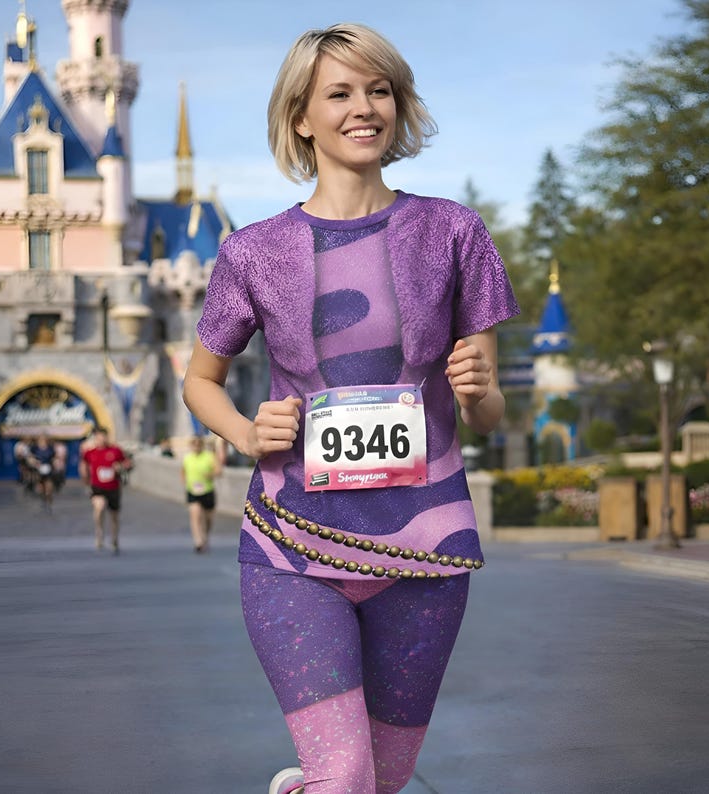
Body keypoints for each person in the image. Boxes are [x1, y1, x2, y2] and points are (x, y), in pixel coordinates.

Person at [183, 23, 519, 794]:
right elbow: (199, 380)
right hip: (290, 548)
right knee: (347, 775)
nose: (364, 107)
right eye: (340, 92)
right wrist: (242, 429)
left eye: (380, 90)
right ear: (301, 116)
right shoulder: (253, 252)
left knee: (384, 780)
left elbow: (491, 414)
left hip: (426, 552)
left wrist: (479, 390)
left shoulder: (454, 232)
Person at [80, 427, 132, 554]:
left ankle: (114, 539)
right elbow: (84, 464)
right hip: (97, 486)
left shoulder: (115, 450)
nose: (101, 440)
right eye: (98, 437)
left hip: (113, 487)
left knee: (114, 515)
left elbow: (128, 463)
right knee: (99, 507)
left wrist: (120, 467)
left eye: (103, 437)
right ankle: (99, 533)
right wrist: (85, 478)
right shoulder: (90, 452)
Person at [180, 435, 218, 552]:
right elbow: (183, 471)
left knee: (208, 518)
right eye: (194, 444)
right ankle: (198, 541)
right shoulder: (187, 458)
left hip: (207, 490)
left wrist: (210, 475)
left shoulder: (209, 456)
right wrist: (184, 481)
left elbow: (218, 470)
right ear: (191, 446)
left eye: (198, 444)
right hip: (192, 490)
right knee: (194, 515)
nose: (196, 446)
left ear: (201, 445)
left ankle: (205, 536)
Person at [29, 434, 57, 512]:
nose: (42, 441)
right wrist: (34, 462)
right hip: (38, 469)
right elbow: (30, 457)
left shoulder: (50, 449)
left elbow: (54, 457)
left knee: (49, 487)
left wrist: (55, 463)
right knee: (40, 488)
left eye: (44, 440)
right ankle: (43, 498)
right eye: (40, 440)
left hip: (48, 469)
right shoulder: (35, 448)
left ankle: (49, 500)